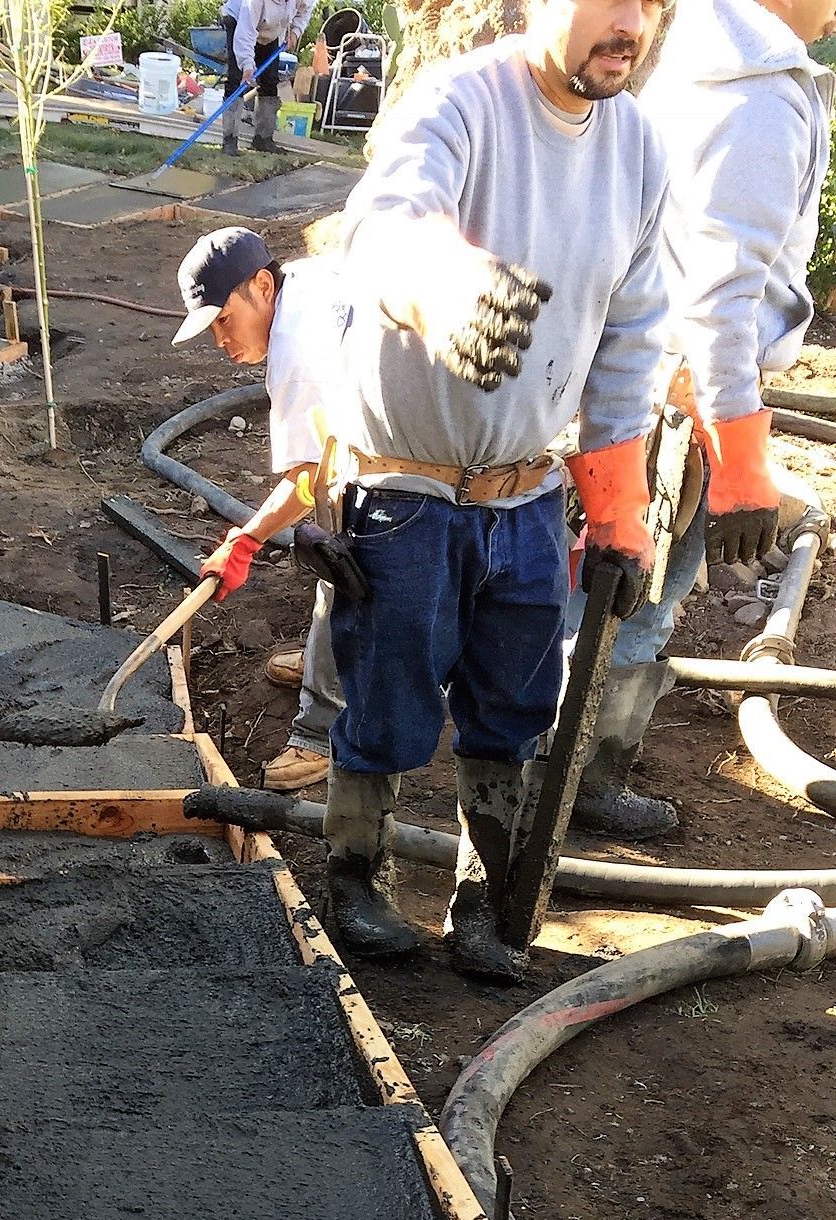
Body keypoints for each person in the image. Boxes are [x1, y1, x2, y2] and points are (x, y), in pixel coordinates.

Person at [315, 0, 670, 978]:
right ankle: (354, 881)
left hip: (523, 492)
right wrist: (444, 284)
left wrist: (617, 512)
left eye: (649, 4)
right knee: (386, 698)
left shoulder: (636, 149)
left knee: (512, 708)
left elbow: (631, 341)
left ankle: (480, 901)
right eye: (610, 1)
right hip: (408, 487)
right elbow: (383, 224)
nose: (630, 23)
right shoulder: (458, 104)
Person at [566, 0, 836, 839]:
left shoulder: (696, 55)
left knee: (604, 591)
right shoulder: (755, 92)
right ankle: (577, 783)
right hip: (683, 399)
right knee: (639, 599)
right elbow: (720, 292)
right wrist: (742, 456)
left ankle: (549, 767)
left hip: (645, 375)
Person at [171, 226, 365, 796]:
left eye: (224, 320)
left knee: (344, 554)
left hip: (429, 449)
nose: (221, 342)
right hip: (392, 417)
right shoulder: (298, 281)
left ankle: (322, 728)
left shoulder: (297, 351)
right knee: (331, 533)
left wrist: (246, 540)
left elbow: (307, 482)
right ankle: (322, 666)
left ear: (260, 285)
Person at [220, 0, 314, 153]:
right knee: (236, 79)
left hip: (270, 30)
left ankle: (263, 139)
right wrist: (247, 66)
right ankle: (230, 140)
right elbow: (245, 34)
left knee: (270, 80)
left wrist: (296, 31)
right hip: (240, 21)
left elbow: (304, 10)